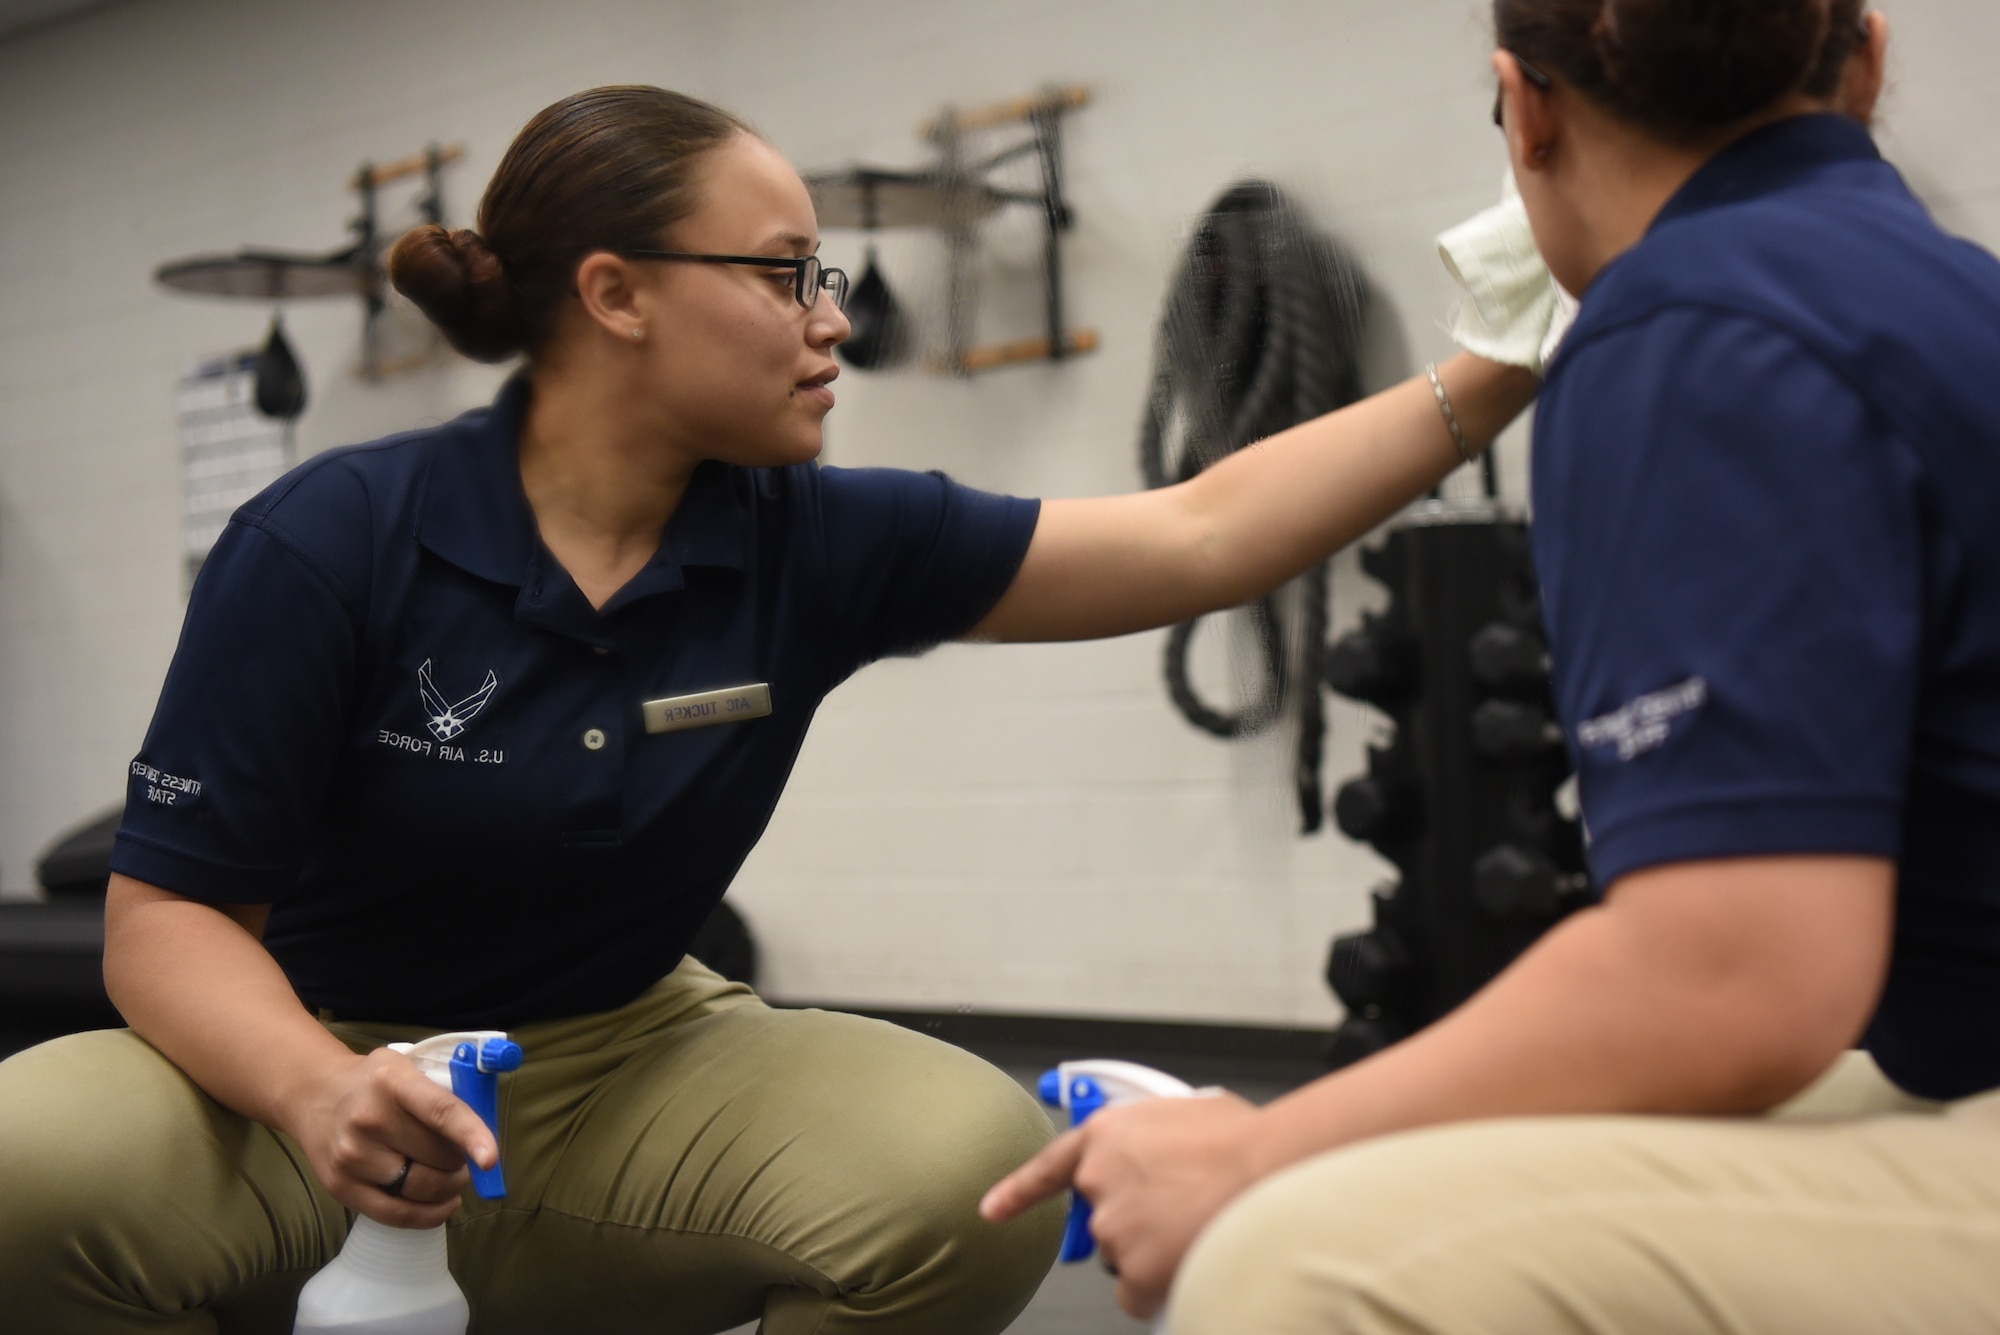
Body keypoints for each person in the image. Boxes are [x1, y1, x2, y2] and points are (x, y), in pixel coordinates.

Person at [0, 85, 1536, 1332]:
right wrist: (321, 1089)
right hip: (303, 1075)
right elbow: (168, 924)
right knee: (21, 1166)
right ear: (615, 296)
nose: (833, 318)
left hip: (620, 1066)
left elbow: (1204, 535)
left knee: (965, 1176)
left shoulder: (816, 536)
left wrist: (1510, 350)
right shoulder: (333, 539)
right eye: (788, 270)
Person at [984, 4, 2000, 1332]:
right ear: (1866, 60)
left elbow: (1735, 980)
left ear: (1526, 107)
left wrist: (1258, 1153)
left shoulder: (1685, 327)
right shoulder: (1955, 289)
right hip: (1951, 1057)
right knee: (1401, 1161)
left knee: (1296, 1263)